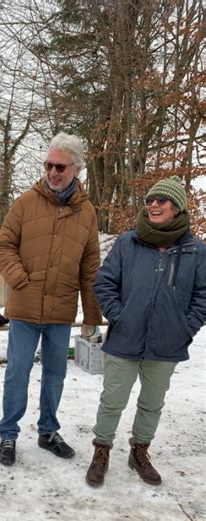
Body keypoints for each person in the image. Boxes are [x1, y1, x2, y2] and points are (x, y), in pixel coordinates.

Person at [86, 175, 206, 487]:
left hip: (167, 344)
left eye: (161, 200)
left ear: (177, 207)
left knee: (153, 402)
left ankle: (140, 450)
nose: (153, 204)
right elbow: (104, 282)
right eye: (149, 200)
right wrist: (118, 315)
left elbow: (203, 296)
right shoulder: (129, 242)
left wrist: (185, 327)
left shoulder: (195, 250)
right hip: (125, 338)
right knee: (112, 399)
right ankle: (101, 451)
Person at [0, 132, 102, 466]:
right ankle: (8, 435)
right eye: (49, 165)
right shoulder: (25, 203)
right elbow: (4, 245)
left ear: (77, 170)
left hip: (61, 308)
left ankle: (48, 431)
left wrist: (92, 317)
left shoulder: (87, 213)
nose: (53, 172)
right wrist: (19, 279)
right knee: (17, 373)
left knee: (55, 374)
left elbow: (91, 267)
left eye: (60, 167)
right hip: (25, 307)